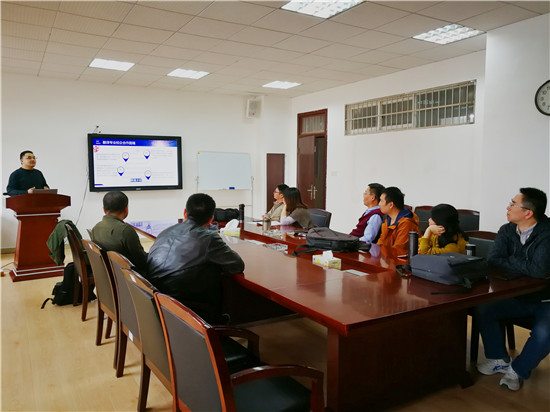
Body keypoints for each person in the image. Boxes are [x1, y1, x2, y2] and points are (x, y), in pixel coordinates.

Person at [475, 188, 550, 391]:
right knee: (484, 308)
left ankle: (518, 370)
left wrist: (511, 261)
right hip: (518, 295)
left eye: (513, 204)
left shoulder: (547, 233)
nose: (508, 207)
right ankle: (498, 358)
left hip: (546, 299)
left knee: (544, 333)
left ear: (528, 213)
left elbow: (540, 269)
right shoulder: (507, 229)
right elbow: (494, 259)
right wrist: (526, 265)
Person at [146, 193, 245, 324]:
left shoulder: (166, 231)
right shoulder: (208, 237)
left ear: (185, 213)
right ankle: (217, 320)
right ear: (211, 219)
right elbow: (237, 265)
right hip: (181, 304)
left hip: (155, 296)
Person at [90, 191, 148, 274]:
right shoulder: (126, 231)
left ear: (104, 209)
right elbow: (141, 261)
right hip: (130, 277)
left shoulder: (95, 228)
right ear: (126, 209)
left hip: (110, 274)